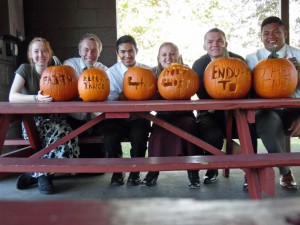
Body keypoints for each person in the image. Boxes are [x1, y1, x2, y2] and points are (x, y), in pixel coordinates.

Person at [9, 37, 80, 194]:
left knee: (68, 137)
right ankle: (42, 177)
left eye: (44, 51)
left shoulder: (58, 70)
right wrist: (36, 98)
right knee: (57, 137)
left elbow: (67, 91)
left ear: (50, 53)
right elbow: (12, 96)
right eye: (36, 51)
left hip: (56, 120)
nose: (40, 55)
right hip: (32, 122)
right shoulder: (25, 70)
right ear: (30, 54)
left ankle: (36, 175)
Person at [192, 28, 257, 188]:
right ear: (204, 46)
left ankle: (250, 172)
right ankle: (213, 168)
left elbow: (246, 87)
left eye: (219, 41)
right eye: (210, 42)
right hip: (210, 112)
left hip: (236, 111)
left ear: (226, 43)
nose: (215, 44)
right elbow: (199, 92)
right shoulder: (199, 64)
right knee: (212, 135)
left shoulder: (238, 60)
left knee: (250, 128)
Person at [246, 16, 300, 190]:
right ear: (261, 37)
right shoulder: (252, 58)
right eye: (266, 33)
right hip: (269, 109)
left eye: (276, 32)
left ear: (285, 33)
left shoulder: (298, 55)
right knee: (266, 122)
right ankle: (285, 172)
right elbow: (248, 89)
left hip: (296, 107)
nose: (272, 36)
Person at [141, 42, 201, 188]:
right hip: (163, 116)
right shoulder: (152, 74)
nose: (168, 57)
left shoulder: (186, 71)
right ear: (159, 58)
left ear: (178, 57)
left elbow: (192, 90)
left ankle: (193, 173)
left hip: (184, 115)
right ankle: (153, 171)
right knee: (157, 135)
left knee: (188, 130)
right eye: (164, 54)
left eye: (172, 54)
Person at [105, 35, 151, 186]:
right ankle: (117, 171)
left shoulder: (147, 71)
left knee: (139, 135)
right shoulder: (111, 73)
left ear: (136, 51)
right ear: (117, 53)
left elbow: (151, 97)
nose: (127, 55)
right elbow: (110, 98)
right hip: (117, 117)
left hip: (139, 116)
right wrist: (126, 96)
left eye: (131, 51)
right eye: (123, 52)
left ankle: (135, 171)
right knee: (110, 136)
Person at [63, 33, 108, 159]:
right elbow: (67, 89)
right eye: (86, 50)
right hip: (74, 118)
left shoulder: (103, 70)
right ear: (79, 51)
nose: (90, 54)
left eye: (94, 50)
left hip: (96, 119)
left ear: (99, 53)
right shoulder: (69, 66)